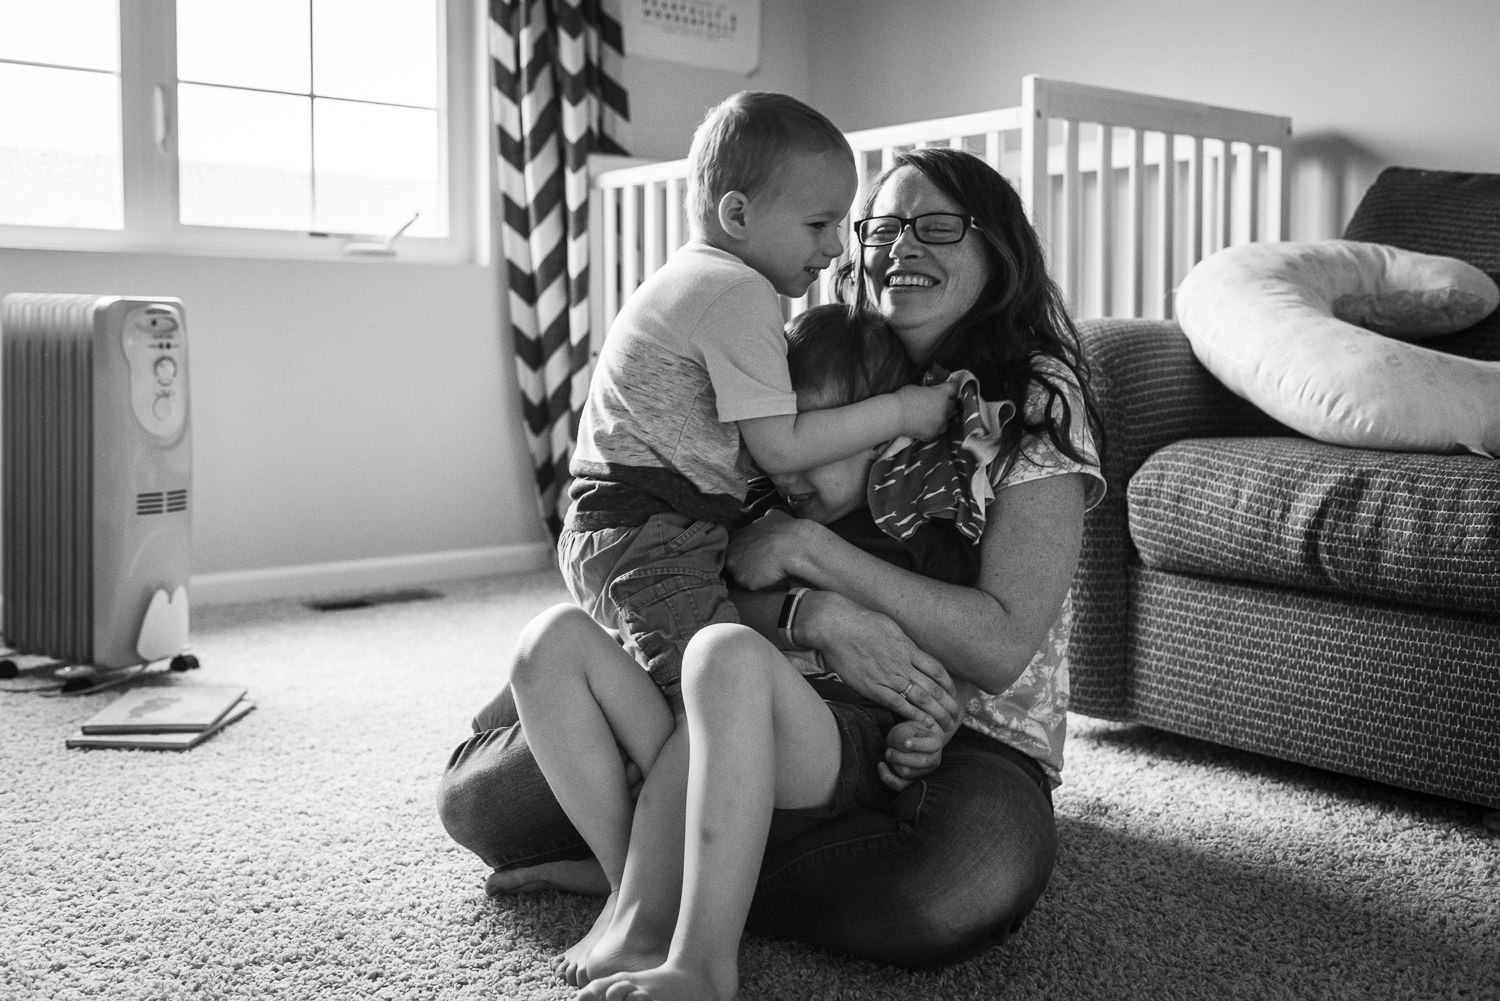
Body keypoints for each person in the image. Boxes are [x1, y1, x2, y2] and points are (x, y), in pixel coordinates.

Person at [436, 145, 1105, 977]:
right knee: (480, 802)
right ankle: (670, 867)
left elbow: (998, 647)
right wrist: (806, 612)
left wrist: (810, 550)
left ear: (998, 248)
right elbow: (707, 579)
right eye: (881, 227)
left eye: (938, 226)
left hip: (945, 735)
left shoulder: (1031, 398)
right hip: (740, 683)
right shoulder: (802, 355)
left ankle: (673, 875)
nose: (901, 247)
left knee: (949, 887)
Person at [511, 303, 977, 996]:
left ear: (876, 436)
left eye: (814, 445)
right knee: (547, 643)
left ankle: (702, 964)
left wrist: (933, 728)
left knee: (722, 652)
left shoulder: (908, 528)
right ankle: (632, 891)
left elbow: (951, 669)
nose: (787, 470)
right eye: (776, 444)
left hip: (827, 744)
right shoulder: (750, 516)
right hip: (698, 739)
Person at [562, 91, 955, 715]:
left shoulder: (691, 278)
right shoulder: (737, 291)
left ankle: (536, 692)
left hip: (621, 524)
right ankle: (649, 795)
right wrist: (903, 410)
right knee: (711, 704)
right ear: (738, 214)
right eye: (818, 225)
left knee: (672, 679)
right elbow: (780, 445)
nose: (835, 249)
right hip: (654, 530)